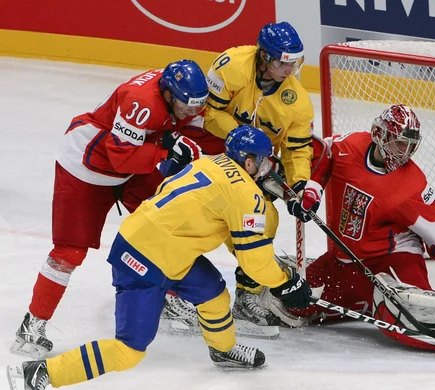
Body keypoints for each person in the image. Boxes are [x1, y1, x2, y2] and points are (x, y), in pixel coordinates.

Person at [6, 125, 313, 390]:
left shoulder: (210, 164)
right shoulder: (248, 195)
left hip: (156, 243)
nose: (268, 169)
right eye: (263, 162)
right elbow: (255, 264)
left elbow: (225, 230)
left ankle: (224, 351)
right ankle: (40, 374)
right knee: (129, 351)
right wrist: (286, 283)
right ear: (248, 161)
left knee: (214, 293)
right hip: (145, 260)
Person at [265, 104, 435, 357]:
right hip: (345, 264)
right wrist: (297, 182)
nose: (404, 152)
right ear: (379, 135)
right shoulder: (347, 147)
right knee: (288, 302)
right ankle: (365, 301)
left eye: (411, 146)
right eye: (399, 143)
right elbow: (314, 155)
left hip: (392, 262)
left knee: (401, 317)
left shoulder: (409, 185)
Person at [10, 59, 209, 360]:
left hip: (130, 164)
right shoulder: (141, 102)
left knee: (168, 226)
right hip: (85, 167)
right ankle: (32, 325)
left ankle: (169, 295)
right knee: (69, 252)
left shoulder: (182, 93)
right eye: (186, 106)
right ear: (168, 94)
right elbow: (122, 159)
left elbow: (192, 128)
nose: (191, 112)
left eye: (197, 106)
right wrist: (167, 150)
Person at [170, 21, 321, 339]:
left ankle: (247, 294)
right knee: (191, 220)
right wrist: (242, 137)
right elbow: (207, 115)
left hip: (253, 166)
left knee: (263, 223)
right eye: (283, 61)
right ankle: (167, 288)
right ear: (264, 57)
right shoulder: (231, 65)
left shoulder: (298, 101)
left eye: (295, 61)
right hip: (210, 153)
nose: (290, 68)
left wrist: (301, 185)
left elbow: (297, 151)